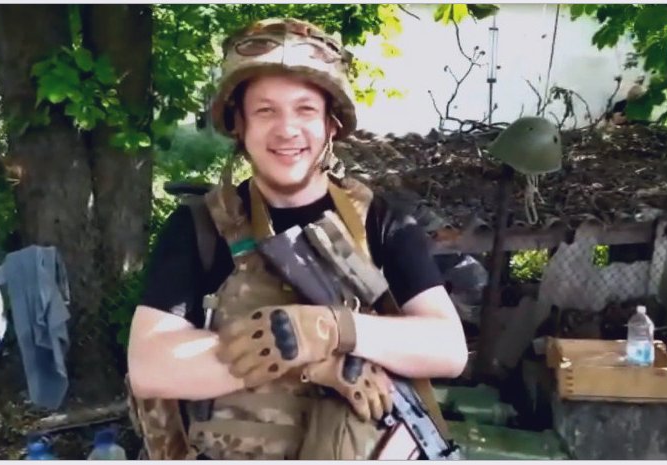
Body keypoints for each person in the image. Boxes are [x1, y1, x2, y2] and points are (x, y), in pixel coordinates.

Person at [127, 18, 467, 460]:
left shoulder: (381, 222)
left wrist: (332, 329)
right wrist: (306, 359)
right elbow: (151, 367)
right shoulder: (200, 227)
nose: (287, 129)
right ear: (240, 125)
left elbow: (447, 349)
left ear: (331, 124)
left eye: (305, 109)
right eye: (265, 111)